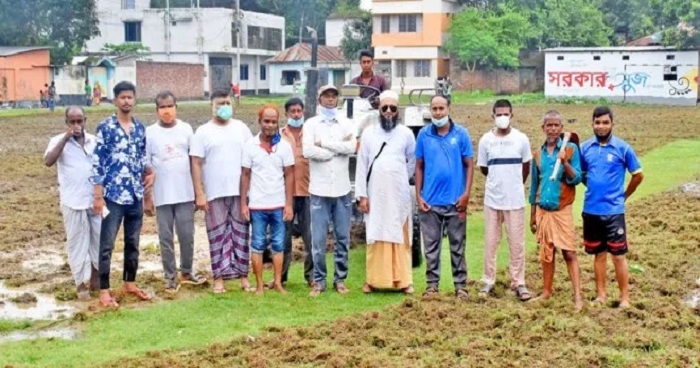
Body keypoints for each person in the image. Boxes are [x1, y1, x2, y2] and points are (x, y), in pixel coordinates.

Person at [91, 81, 155, 308]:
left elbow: (141, 160)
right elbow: (97, 163)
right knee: (106, 244)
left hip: (134, 194)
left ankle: (130, 282)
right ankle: (105, 291)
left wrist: (150, 175)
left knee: (133, 242)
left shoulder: (139, 128)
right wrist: (98, 196)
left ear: (135, 100)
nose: (126, 101)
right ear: (115, 100)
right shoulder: (106, 127)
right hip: (112, 196)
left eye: (130, 97)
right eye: (122, 97)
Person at [191, 90, 253, 294]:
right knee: (217, 235)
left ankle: (244, 277)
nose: (225, 106)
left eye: (228, 102)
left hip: (239, 192)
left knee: (241, 234)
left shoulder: (241, 129)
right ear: (212, 106)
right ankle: (218, 278)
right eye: (220, 103)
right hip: (214, 192)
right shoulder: (203, 132)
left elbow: (251, 159)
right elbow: (196, 163)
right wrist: (199, 193)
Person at [580, 106, 643, 309]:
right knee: (599, 254)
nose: (601, 126)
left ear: (612, 124)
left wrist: (624, 196)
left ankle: (624, 298)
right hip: (591, 210)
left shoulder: (623, 148)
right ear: (592, 124)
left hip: (614, 212)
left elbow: (638, 175)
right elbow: (580, 174)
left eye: (605, 122)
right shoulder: (585, 148)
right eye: (597, 122)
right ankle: (601, 295)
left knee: (618, 256)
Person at [144, 91, 206, 294]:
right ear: (157, 110)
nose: (166, 111)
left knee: (187, 235)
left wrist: (199, 192)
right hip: (162, 196)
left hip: (185, 193)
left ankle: (186, 271)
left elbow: (195, 161)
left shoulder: (186, 129)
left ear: (176, 107)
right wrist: (148, 196)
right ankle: (170, 276)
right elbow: (146, 167)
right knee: (165, 237)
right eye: (162, 107)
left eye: (170, 106)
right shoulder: (150, 132)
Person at [355, 90, 416, 294]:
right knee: (376, 232)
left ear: (398, 111)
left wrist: (398, 177)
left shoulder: (406, 133)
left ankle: (404, 281)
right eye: (385, 108)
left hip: (398, 193)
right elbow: (362, 166)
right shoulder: (369, 133)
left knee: (400, 233)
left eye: (393, 108)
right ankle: (373, 280)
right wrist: (362, 195)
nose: (389, 112)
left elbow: (413, 161)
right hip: (375, 193)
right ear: (379, 110)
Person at [415, 95, 474, 299]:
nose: (438, 113)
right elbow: (419, 166)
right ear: (430, 111)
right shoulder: (423, 135)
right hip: (430, 202)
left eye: (441, 108)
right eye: (434, 109)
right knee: (431, 247)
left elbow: (469, 164)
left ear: (449, 109)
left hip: (455, 202)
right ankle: (432, 285)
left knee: (457, 245)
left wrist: (466, 194)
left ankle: (460, 286)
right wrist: (419, 195)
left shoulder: (461, 134)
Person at [303, 84, 357, 297]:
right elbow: (308, 150)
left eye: (334, 96)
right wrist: (335, 150)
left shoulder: (346, 123)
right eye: (326, 96)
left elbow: (351, 148)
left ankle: (340, 279)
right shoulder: (311, 124)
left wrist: (324, 144)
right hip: (319, 190)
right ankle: (319, 280)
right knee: (318, 240)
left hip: (342, 189)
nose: (330, 99)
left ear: (338, 99)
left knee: (342, 238)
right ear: (320, 99)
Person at [477, 99, 533, 301]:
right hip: (492, 200)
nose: (502, 117)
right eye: (498, 114)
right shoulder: (486, 140)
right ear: (492, 116)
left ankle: (519, 282)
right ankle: (488, 280)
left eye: (506, 114)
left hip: (515, 200)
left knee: (517, 243)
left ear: (512, 115)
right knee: (491, 242)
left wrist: (515, 184)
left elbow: (526, 166)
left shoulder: (521, 139)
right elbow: (484, 168)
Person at [528, 110, 583, 310]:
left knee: (569, 252)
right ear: (543, 128)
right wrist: (532, 215)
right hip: (544, 210)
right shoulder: (538, 154)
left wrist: (565, 162)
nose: (552, 129)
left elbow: (576, 178)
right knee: (546, 252)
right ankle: (546, 291)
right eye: (548, 125)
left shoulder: (570, 149)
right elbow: (535, 187)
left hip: (562, 210)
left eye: (556, 125)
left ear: (561, 128)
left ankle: (578, 296)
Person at [44, 106, 99, 300]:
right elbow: (48, 161)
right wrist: (66, 138)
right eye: (72, 122)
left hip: (95, 200)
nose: (76, 125)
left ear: (85, 120)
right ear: (66, 122)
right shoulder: (57, 141)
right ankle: (80, 284)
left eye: (80, 121)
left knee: (99, 241)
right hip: (72, 201)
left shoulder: (95, 141)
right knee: (76, 243)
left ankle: (95, 279)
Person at [240, 105, 295, 295]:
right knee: (257, 244)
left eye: (273, 121)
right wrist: (243, 204)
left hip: (279, 205)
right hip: (257, 205)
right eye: (266, 121)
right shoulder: (250, 145)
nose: (270, 125)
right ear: (259, 122)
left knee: (278, 244)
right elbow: (245, 175)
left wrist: (288, 204)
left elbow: (289, 175)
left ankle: (278, 282)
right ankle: (260, 285)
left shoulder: (284, 146)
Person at [270, 97, 313, 288]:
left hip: (309, 192)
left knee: (311, 237)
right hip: (284, 195)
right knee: (282, 238)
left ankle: (312, 276)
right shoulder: (278, 135)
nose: (296, 114)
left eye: (299, 111)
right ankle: (281, 277)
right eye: (292, 111)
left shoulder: (311, 133)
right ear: (286, 113)